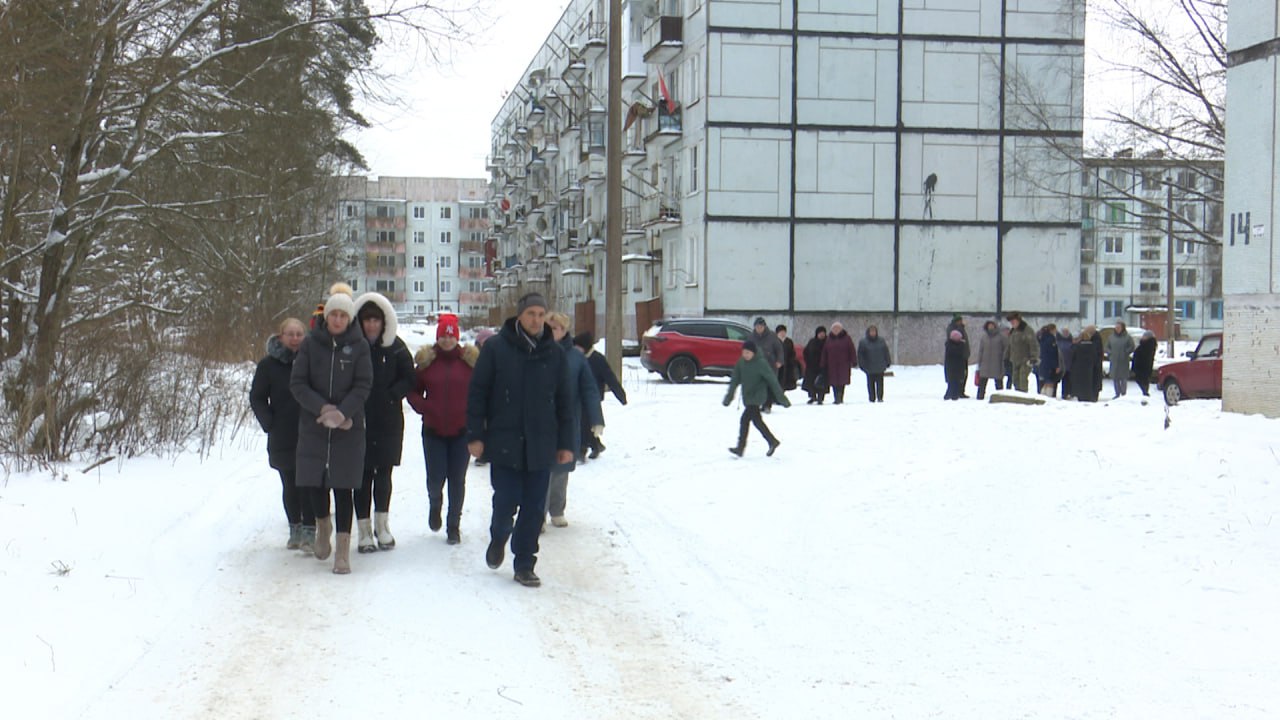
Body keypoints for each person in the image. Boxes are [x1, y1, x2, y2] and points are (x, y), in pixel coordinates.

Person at [467, 293, 574, 588]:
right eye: (531, 314)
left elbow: (566, 402)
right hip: (505, 442)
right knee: (505, 501)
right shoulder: (497, 349)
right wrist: (475, 435)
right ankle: (499, 535)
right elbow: (478, 394)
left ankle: (525, 562)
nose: (537, 320)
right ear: (520, 316)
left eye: (541, 314)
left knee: (534, 507)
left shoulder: (554, 353)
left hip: (542, 445)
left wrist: (566, 444)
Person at [291, 283, 373, 574]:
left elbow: (363, 384)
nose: (338, 319)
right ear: (326, 316)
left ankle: (342, 551)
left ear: (349, 318)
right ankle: (322, 527)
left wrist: (342, 412)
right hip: (314, 425)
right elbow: (298, 383)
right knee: (315, 482)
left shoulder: (360, 346)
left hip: (348, 429)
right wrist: (322, 408)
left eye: (343, 315)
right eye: (333, 314)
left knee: (343, 487)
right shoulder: (312, 344)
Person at [348, 292, 414, 554]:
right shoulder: (351, 347)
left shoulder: (395, 346)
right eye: (367, 320)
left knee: (384, 474)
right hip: (359, 420)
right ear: (360, 322)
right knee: (361, 476)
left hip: (388, 421)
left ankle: (382, 525)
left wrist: (392, 395)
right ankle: (363, 530)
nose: (371, 325)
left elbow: (410, 377)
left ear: (383, 321)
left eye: (376, 320)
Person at [407, 313, 478, 545]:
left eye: (451, 336)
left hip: (461, 431)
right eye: (443, 336)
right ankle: (434, 503)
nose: (447, 340)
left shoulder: (469, 363)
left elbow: (482, 392)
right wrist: (425, 407)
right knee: (436, 478)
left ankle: (453, 525)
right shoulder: (427, 363)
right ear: (438, 338)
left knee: (457, 479)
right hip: (433, 430)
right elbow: (413, 391)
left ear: (456, 337)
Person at [249, 318, 314, 550]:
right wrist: (269, 422)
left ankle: (310, 530)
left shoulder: (312, 361)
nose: (295, 338)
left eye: (299, 334)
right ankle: (294, 527)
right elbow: (256, 397)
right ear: (281, 337)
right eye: (290, 334)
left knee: (310, 483)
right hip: (282, 434)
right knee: (290, 483)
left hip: (310, 432)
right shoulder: (268, 365)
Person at [544, 312, 602, 529]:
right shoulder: (534, 352)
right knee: (541, 469)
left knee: (561, 469)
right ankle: (537, 513)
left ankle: (557, 510)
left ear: (565, 331)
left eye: (556, 328)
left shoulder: (576, 358)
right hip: (539, 422)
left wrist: (596, 419)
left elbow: (589, 389)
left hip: (567, 422)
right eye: (548, 327)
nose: (552, 332)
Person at [723, 339, 790, 456]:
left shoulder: (761, 363)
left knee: (744, 420)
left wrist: (782, 398)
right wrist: (729, 397)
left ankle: (740, 448)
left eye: (748, 353)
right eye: (744, 352)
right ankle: (772, 441)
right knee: (757, 421)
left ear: (754, 353)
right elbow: (734, 380)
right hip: (748, 396)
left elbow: (772, 380)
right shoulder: (741, 363)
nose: (746, 355)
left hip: (758, 396)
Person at [574, 331, 626, 459]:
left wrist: (621, 396)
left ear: (585, 347)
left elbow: (610, 378)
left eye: (578, 347)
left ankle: (582, 449)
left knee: (586, 423)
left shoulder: (597, 359)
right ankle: (596, 445)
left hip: (593, 397)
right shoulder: (576, 358)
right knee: (582, 423)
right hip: (578, 396)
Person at [749, 317, 784, 411]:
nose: (759, 328)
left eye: (761, 326)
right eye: (757, 326)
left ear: (764, 327)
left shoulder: (772, 336)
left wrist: (779, 360)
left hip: (770, 365)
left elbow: (779, 350)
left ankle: (767, 405)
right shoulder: (751, 337)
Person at [820, 321, 856, 404]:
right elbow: (824, 352)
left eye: (838, 328)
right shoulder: (829, 339)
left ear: (841, 329)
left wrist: (853, 360)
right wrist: (823, 362)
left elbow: (851, 350)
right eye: (834, 329)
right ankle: (836, 397)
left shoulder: (847, 338)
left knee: (842, 381)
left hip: (844, 364)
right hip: (831, 364)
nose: (836, 330)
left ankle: (840, 396)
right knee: (833, 382)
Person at [856, 325, 891, 402]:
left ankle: (880, 397)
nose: (873, 333)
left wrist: (888, 362)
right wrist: (862, 365)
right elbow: (860, 355)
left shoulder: (881, 341)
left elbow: (886, 352)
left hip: (880, 366)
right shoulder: (863, 342)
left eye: (874, 331)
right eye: (871, 331)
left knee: (880, 383)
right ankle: (872, 398)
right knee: (870, 384)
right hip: (869, 366)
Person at [974, 320, 1008, 400]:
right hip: (985, 364)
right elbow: (981, 350)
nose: (990, 327)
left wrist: (1004, 358)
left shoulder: (1001, 337)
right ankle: (980, 396)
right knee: (982, 382)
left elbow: (1007, 348)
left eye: (992, 325)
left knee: (998, 382)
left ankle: (1000, 397)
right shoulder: (984, 337)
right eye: (989, 325)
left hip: (997, 363)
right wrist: (979, 362)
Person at [1005, 312, 1037, 392]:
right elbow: (1009, 346)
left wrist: (1033, 357)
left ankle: (1023, 397)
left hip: (1025, 360)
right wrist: (1006, 357)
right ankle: (1018, 395)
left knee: (1022, 379)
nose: (1012, 323)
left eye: (1013, 321)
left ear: (1018, 320)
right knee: (1015, 379)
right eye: (1011, 322)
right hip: (1015, 360)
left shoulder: (1027, 330)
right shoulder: (1013, 331)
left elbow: (1033, 344)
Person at [1071, 327, 1103, 402]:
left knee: (1081, 383)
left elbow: (1073, 356)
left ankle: (1081, 396)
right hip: (1090, 369)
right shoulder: (1093, 346)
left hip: (1079, 369)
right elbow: (1096, 358)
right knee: (1089, 383)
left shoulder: (1077, 346)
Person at [1107, 321, 1136, 398]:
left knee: (1123, 378)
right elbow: (1107, 347)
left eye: (1119, 327)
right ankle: (1117, 393)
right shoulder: (1111, 337)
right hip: (1114, 361)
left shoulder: (1127, 337)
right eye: (1116, 327)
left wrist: (1126, 352)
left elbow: (1132, 347)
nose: (1117, 329)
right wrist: (1110, 354)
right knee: (1115, 378)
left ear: (1123, 328)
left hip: (1123, 361)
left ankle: (1123, 394)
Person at [801, 326, 829, 404]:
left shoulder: (827, 342)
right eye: (820, 333)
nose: (822, 335)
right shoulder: (812, 341)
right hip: (812, 366)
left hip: (823, 366)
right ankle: (812, 396)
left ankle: (820, 398)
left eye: (823, 333)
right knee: (811, 383)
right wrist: (808, 361)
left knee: (821, 383)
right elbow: (806, 351)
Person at [943, 329, 970, 400]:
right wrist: (961, 345)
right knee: (952, 382)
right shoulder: (950, 345)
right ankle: (951, 395)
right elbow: (956, 353)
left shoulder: (957, 345)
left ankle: (953, 395)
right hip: (952, 368)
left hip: (958, 367)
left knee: (956, 382)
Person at [1131, 330, 1158, 397]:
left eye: (1144, 336)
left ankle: (1145, 393)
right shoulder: (1146, 344)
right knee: (1143, 380)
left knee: (1142, 380)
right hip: (1142, 366)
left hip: (1143, 367)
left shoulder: (1148, 345)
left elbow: (1144, 355)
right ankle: (1145, 393)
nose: (1143, 337)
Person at [1037, 323, 1061, 397]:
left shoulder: (1041, 337)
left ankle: (1042, 395)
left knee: (1044, 381)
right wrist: (1056, 365)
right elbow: (1053, 353)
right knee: (1050, 381)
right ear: (1052, 330)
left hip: (1042, 363)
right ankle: (1048, 397)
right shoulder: (1051, 339)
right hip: (1049, 364)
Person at [776, 324, 800, 393]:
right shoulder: (774, 341)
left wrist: (791, 360)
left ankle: (782, 394)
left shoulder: (788, 341)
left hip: (787, 365)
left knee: (785, 381)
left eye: (784, 332)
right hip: (777, 364)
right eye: (781, 332)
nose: (783, 334)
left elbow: (792, 352)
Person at [1056, 327, 1075, 400]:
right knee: (1056, 380)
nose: (1066, 333)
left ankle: (1066, 394)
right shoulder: (1057, 341)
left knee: (1067, 381)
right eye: (1064, 332)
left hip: (1069, 364)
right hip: (1059, 364)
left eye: (1067, 332)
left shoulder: (1071, 341)